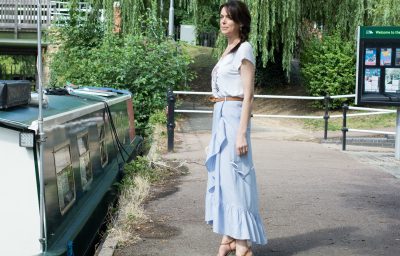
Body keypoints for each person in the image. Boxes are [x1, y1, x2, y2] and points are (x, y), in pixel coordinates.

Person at [205, 1, 267, 256]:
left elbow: (248, 96)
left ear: (240, 22)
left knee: (238, 176)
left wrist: (242, 132)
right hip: (220, 117)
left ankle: (242, 242)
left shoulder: (245, 49)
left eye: (228, 18)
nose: (223, 21)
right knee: (224, 178)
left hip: (234, 119)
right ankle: (229, 236)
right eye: (221, 17)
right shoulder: (226, 50)